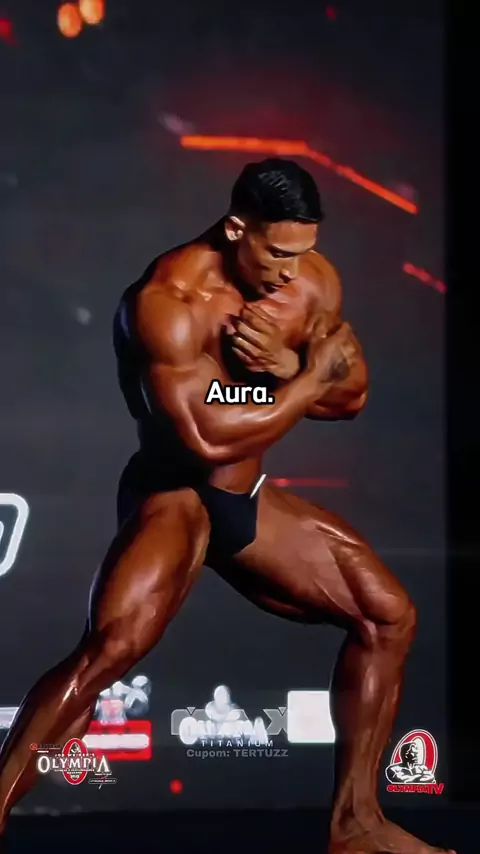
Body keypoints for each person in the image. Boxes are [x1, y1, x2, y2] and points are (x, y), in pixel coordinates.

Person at [0, 159, 452, 854]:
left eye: (301, 252)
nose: (288, 272)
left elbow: (353, 394)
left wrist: (287, 368)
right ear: (238, 228)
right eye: (276, 253)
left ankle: (356, 824)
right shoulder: (166, 300)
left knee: (387, 616)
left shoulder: (310, 280)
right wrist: (306, 384)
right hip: (174, 496)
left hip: (245, 499)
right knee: (109, 652)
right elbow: (205, 438)